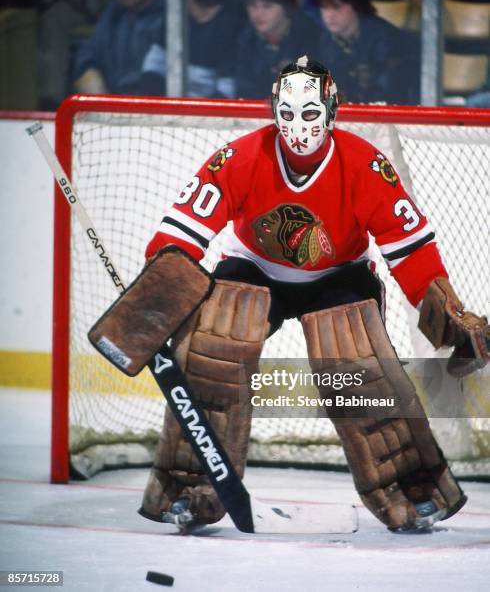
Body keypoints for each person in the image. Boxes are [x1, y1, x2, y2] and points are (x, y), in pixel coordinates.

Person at [138, 55, 489, 533]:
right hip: (254, 266)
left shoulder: (364, 164)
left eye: (309, 114)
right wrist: (158, 287)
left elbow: (410, 251)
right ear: (272, 110)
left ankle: (413, 486)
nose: (297, 127)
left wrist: (450, 311)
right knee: (213, 352)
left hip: (340, 275)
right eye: (286, 114)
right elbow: (183, 229)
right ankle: (188, 485)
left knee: (360, 371)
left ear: (331, 109)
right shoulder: (241, 156)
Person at [315, 0, 420, 104]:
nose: (329, 15)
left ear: (356, 7)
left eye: (337, 7)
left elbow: (389, 86)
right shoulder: (326, 40)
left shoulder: (384, 37)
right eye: (324, 8)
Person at [140, 0, 246, 98]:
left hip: (207, 108)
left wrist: (202, 113)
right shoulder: (175, 14)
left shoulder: (234, 22)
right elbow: (155, 62)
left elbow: (227, 86)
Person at [234, 0, 326, 99]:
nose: (258, 14)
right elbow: (244, 88)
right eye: (253, 6)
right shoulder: (246, 39)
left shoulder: (311, 36)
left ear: (286, 7)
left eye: (267, 6)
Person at [72, 0, 164, 96]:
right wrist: (103, 104)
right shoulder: (114, 15)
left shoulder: (170, 19)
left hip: (156, 108)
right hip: (113, 108)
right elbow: (85, 62)